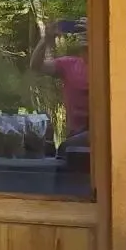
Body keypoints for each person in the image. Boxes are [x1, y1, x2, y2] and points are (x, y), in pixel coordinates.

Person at [30, 16, 89, 151]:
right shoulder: (69, 64)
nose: (83, 36)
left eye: (86, 32)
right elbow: (36, 66)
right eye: (81, 32)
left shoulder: (109, 66)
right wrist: (47, 39)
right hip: (74, 136)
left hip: (102, 136)